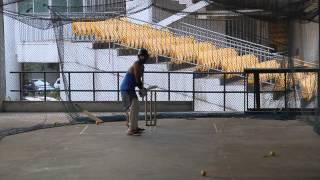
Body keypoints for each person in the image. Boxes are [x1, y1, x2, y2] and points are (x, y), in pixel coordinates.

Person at [120, 48, 148, 136]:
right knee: (133, 106)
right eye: (141, 56)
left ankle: (135, 127)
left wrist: (141, 88)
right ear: (139, 57)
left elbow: (139, 79)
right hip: (126, 88)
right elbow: (136, 78)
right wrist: (141, 88)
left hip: (131, 88)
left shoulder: (142, 66)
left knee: (136, 107)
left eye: (144, 56)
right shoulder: (136, 64)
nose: (142, 58)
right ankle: (131, 129)